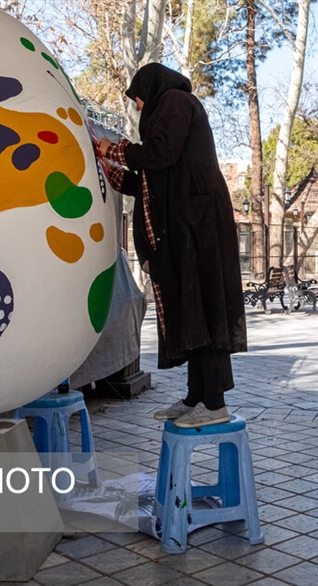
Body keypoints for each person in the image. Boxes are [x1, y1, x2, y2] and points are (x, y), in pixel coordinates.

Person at [98, 63, 247, 428]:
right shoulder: (170, 111)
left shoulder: (177, 102)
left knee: (205, 310)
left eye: (137, 99)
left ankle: (215, 405)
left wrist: (116, 150)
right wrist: (112, 169)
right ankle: (197, 396)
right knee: (192, 311)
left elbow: (159, 154)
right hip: (187, 229)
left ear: (150, 88)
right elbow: (153, 181)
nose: (137, 107)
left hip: (200, 230)